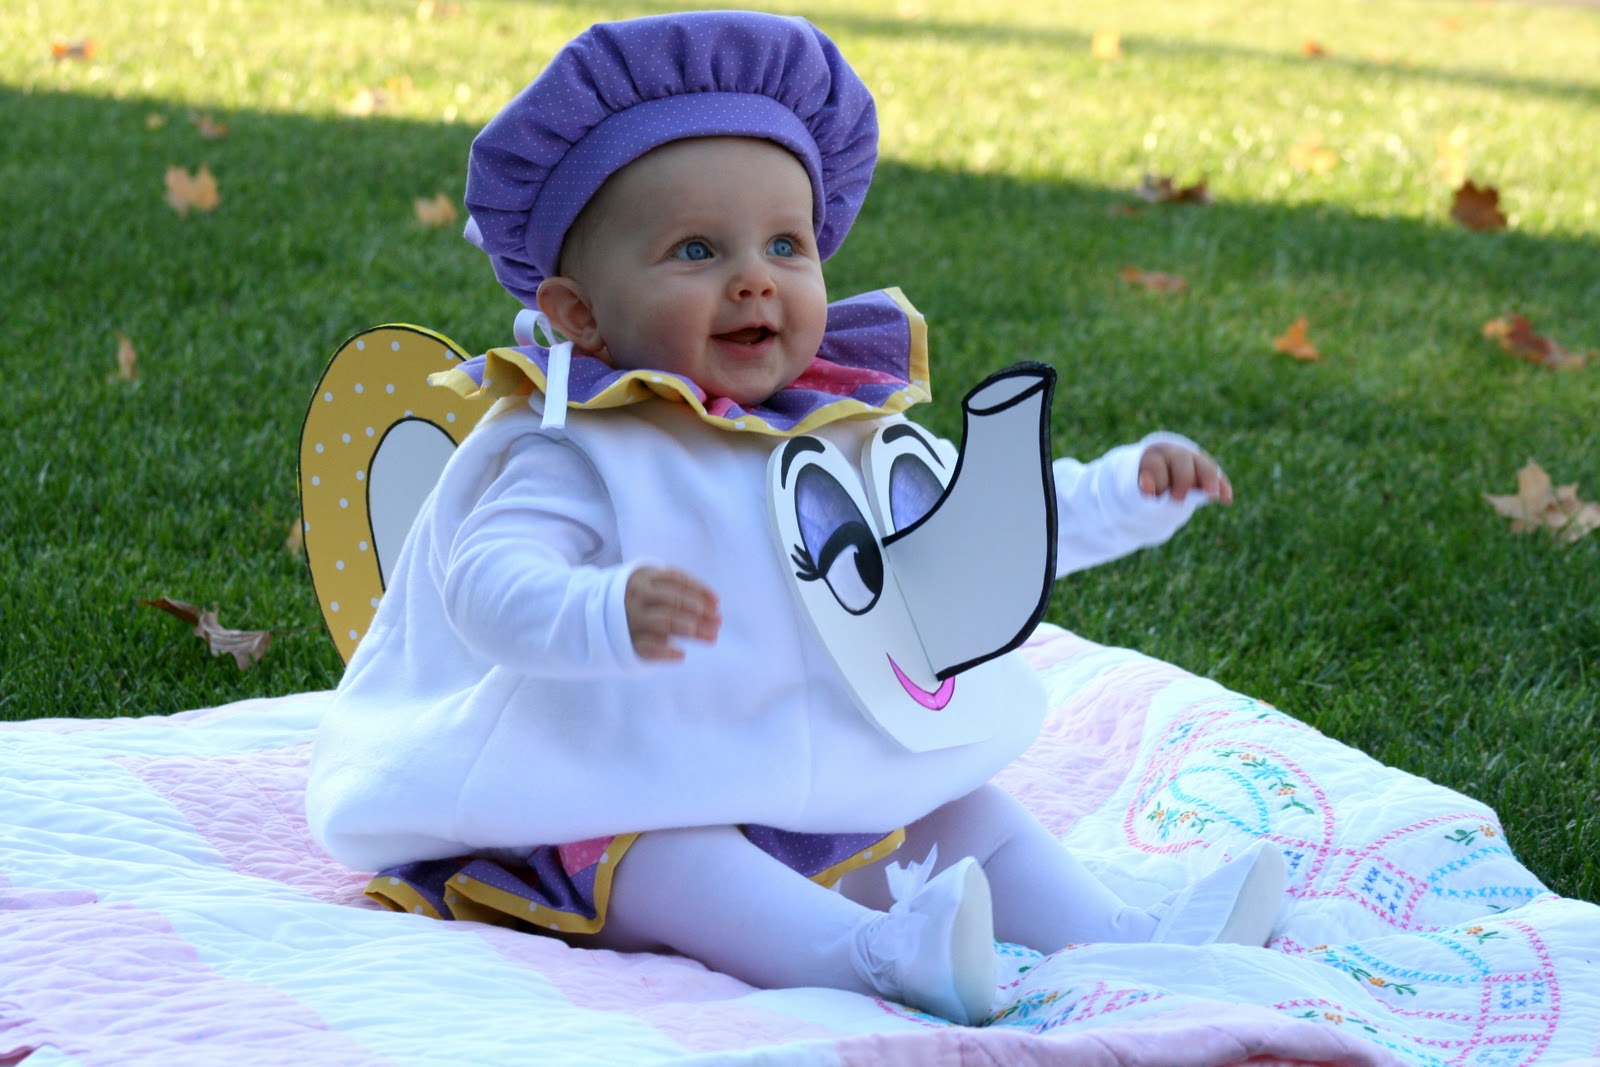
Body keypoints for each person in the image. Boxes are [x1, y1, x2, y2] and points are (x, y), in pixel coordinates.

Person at [306, 10, 1284, 1026]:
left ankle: (1123, 932)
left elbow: (967, 535)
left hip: (790, 769)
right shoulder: (574, 443)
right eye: (696, 249)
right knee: (673, 856)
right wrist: (599, 608)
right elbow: (483, 579)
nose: (753, 276)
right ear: (578, 312)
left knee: (960, 810)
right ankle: (863, 954)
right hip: (613, 784)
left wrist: (1129, 491)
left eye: (786, 242)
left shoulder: (837, 428)